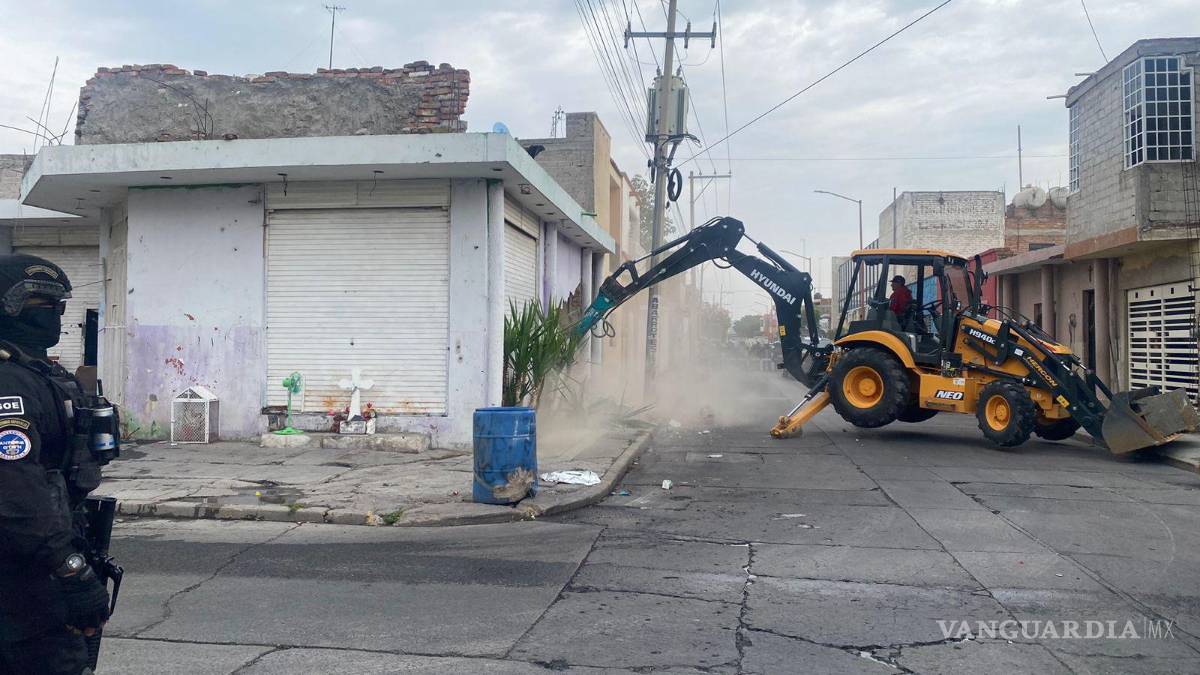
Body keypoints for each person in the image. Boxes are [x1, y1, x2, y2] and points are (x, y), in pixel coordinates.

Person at [0, 255, 110, 675]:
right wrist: (69, 568)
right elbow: (14, 488)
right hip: (19, 582)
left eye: (58, 307)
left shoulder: (37, 372)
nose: (54, 317)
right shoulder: (10, 383)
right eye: (40, 306)